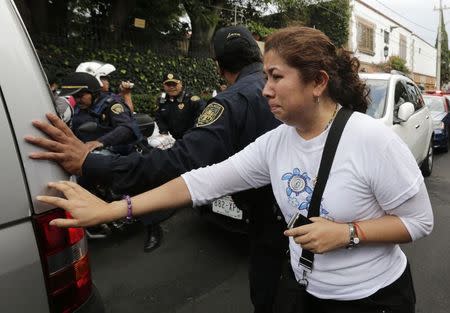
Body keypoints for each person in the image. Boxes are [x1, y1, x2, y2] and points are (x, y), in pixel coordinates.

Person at [36, 26, 433, 313]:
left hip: (374, 299)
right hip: (306, 295)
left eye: (276, 77)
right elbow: (201, 180)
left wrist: (348, 233)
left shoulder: (371, 140)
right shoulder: (276, 142)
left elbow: (419, 221)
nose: (264, 89)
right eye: (265, 76)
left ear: (317, 82)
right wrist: (111, 209)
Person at [27, 26, 288, 313]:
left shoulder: (234, 101)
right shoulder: (279, 94)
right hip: (293, 224)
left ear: (218, 65)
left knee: (270, 298)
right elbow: (205, 178)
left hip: (271, 227)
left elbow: (183, 165)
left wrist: (91, 163)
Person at [61, 72, 142, 155]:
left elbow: (127, 128)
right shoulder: (78, 108)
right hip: (83, 151)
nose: (77, 100)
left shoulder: (112, 105)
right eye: (75, 97)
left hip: (116, 154)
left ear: (93, 93)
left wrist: (100, 142)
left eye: (80, 96)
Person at [155, 73, 205, 140]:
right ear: (164, 86)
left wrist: (193, 134)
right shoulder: (162, 99)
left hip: (190, 139)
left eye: (174, 84)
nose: (171, 87)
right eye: (168, 84)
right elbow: (159, 117)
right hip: (170, 140)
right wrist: (164, 131)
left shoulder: (191, 99)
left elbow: (204, 114)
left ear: (181, 84)